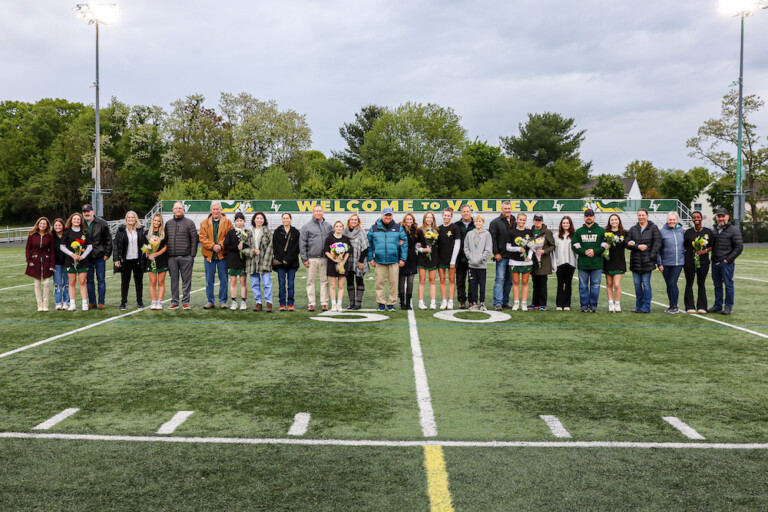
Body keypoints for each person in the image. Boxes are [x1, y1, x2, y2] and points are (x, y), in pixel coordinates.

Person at [367, 207, 407, 311]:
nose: (388, 217)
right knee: (379, 283)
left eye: (390, 215)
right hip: (379, 260)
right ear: (382, 215)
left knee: (393, 283)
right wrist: (371, 258)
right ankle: (381, 303)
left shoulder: (398, 227)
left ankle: (391, 303)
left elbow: (404, 243)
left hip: (393, 260)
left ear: (392, 216)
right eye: (386, 215)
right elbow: (369, 245)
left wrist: (402, 258)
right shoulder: (374, 228)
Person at [707, 207, 743, 315]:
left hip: (726, 263)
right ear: (716, 218)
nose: (721, 218)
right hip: (715, 262)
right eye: (719, 216)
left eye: (723, 216)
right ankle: (718, 305)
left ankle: (728, 306)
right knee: (717, 285)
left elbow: (739, 247)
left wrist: (728, 260)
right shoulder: (714, 230)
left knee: (728, 285)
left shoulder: (734, 230)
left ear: (727, 217)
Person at [626, 208, 661, 314]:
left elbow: (657, 242)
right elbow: (627, 242)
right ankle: (638, 306)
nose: (641, 217)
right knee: (637, 285)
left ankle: (646, 306)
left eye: (643, 215)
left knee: (646, 284)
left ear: (647, 216)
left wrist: (651, 256)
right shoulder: (633, 229)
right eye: (639, 215)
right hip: (635, 262)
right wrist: (637, 246)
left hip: (647, 262)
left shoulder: (653, 228)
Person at [199, 201, 233, 309]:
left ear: (221, 210)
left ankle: (223, 301)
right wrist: (213, 245)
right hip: (209, 256)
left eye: (218, 209)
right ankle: (210, 301)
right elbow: (202, 238)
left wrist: (221, 245)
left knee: (224, 279)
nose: (216, 211)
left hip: (223, 255)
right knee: (209, 279)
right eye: (214, 209)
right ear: (211, 210)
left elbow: (230, 236)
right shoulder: (204, 223)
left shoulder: (228, 222)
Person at [165, 201, 198, 310]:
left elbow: (194, 239)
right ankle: (174, 302)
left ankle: (186, 302)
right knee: (173, 281)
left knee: (186, 281)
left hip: (186, 257)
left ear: (183, 210)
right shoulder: (168, 223)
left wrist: (192, 255)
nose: (178, 210)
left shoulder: (189, 223)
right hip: (172, 257)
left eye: (180, 208)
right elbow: (165, 239)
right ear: (173, 210)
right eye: (176, 208)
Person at [300, 205, 333, 312]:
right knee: (310, 281)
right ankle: (311, 303)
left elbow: (332, 241)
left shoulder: (328, 226)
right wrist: (304, 258)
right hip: (311, 258)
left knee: (324, 281)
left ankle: (324, 303)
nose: (318, 213)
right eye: (316, 211)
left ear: (323, 212)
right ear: (313, 212)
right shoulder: (306, 226)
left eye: (320, 211)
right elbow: (302, 243)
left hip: (325, 258)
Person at [113, 210, 148, 310]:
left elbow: (145, 243)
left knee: (139, 282)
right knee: (125, 282)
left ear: (136, 219)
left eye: (133, 217)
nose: (131, 219)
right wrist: (116, 259)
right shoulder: (121, 230)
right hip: (125, 260)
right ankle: (123, 302)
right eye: (129, 217)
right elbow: (116, 245)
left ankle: (140, 302)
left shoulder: (140, 230)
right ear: (126, 219)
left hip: (138, 259)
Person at [572, 209, 605, 313]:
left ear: (594, 217)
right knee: (583, 286)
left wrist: (595, 251)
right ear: (584, 217)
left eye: (591, 216)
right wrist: (584, 251)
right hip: (583, 264)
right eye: (587, 216)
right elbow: (574, 245)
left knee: (595, 286)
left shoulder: (601, 231)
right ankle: (584, 305)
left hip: (597, 264)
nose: (589, 217)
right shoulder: (579, 231)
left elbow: (605, 246)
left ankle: (594, 305)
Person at [82, 204, 112, 310]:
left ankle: (101, 302)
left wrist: (107, 253)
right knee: (89, 281)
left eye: (88, 211)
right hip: (86, 256)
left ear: (93, 212)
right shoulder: (81, 224)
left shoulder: (102, 223)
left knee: (101, 280)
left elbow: (108, 239)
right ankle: (92, 302)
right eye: (84, 212)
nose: (86, 213)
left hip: (99, 255)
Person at [683, 211, 714, 314]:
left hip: (704, 261)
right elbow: (685, 245)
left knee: (701, 283)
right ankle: (689, 306)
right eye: (694, 217)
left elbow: (712, 245)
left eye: (698, 217)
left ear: (701, 218)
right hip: (689, 262)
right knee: (689, 283)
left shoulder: (708, 232)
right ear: (692, 219)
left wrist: (704, 251)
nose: (696, 219)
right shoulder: (688, 232)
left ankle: (702, 307)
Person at [61, 212, 92, 311]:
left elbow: (90, 246)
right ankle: (72, 304)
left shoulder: (85, 232)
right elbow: (62, 246)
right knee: (72, 282)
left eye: (78, 219)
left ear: (81, 221)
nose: (76, 221)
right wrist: (72, 254)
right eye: (75, 219)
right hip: (70, 260)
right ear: (71, 220)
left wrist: (82, 256)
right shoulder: (67, 232)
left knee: (82, 281)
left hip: (83, 260)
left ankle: (84, 304)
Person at [656, 212, 685, 314]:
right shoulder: (661, 232)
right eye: (670, 219)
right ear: (667, 220)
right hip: (665, 263)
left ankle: (675, 306)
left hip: (678, 263)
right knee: (669, 284)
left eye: (674, 220)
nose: (672, 221)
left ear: (677, 220)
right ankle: (671, 305)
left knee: (673, 283)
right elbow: (657, 249)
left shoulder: (682, 231)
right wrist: (659, 264)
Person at [245, 212, 274, 312]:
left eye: (261, 218)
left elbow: (271, 248)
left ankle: (269, 303)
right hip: (252, 262)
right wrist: (252, 251)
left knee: (267, 283)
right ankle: (258, 303)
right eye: (257, 218)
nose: (259, 220)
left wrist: (267, 261)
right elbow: (244, 248)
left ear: (264, 220)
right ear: (254, 220)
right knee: (254, 283)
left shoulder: (268, 232)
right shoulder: (248, 232)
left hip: (264, 261)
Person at [463, 214, 493, 311]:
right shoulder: (469, 234)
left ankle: (482, 303)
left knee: (482, 284)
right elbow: (466, 248)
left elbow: (488, 250)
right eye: (476, 221)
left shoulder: (487, 234)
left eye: (480, 221)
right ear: (474, 222)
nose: (478, 223)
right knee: (473, 284)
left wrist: (481, 259)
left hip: (481, 265)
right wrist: (471, 258)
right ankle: (474, 303)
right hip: (472, 264)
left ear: (483, 223)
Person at [25, 217, 55, 312]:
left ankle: (46, 304)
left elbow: (52, 251)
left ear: (47, 225)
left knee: (46, 283)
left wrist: (52, 264)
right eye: (41, 223)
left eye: (44, 224)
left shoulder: (50, 236)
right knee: (37, 283)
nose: (42, 225)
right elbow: (27, 248)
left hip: (46, 260)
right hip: (35, 261)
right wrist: (29, 260)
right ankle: (39, 304)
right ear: (38, 224)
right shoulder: (32, 235)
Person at [273, 213, 301, 311]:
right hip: (280, 263)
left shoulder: (295, 232)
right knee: (281, 284)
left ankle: (290, 304)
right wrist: (283, 259)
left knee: (291, 284)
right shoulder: (277, 232)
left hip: (292, 263)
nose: (285, 220)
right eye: (284, 218)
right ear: (282, 220)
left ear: (291, 219)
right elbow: (276, 247)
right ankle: (282, 304)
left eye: (287, 218)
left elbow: (296, 248)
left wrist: (288, 259)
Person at [489, 201, 514, 310]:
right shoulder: (495, 222)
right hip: (501, 256)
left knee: (510, 281)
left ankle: (505, 302)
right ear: (501, 209)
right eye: (505, 209)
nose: (507, 210)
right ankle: (497, 303)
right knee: (500, 279)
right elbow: (492, 239)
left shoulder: (516, 221)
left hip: (513, 257)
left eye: (509, 208)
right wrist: (496, 253)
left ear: (511, 209)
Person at [223, 212, 251, 310]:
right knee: (233, 281)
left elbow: (250, 245)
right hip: (232, 260)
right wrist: (236, 247)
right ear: (235, 222)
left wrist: (243, 247)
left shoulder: (247, 232)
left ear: (244, 221)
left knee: (243, 281)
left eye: (241, 220)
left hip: (243, 260)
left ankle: (243, 301)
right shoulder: (231, 232)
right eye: (237, 221)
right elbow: (226, 245)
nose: (239, 222)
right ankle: (234, 301)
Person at [506, 213, 533, 311]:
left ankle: (524, 303)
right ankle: (516, 302)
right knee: (516, 282)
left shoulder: (529, 232)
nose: (522, 221)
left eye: (523, 220)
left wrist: (529, 257)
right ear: (516, 220)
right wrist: (518, 249)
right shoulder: (511, 232)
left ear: (525, 221)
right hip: (514, 261)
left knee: (525, 282)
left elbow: (531, 247)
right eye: (520, 219)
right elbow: (508, 247)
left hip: (526, 262)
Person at [343, 213, 369, 310]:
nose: (354, 221)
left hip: (358, 259)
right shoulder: (344, 232)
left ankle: (358, 303)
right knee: (349, 280)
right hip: (347, 259)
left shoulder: (361, 232)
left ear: (358, 222)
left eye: (355, 220)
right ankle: (351, 303)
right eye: (352, 219)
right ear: (349, 221)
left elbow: (365, 247)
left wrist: (361, 261)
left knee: (359, 279)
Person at [529, 214, 555, 311]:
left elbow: (553, 246)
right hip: (534, 261)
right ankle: (534, 303)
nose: (538, 222)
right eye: (536, 220)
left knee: (542, 284)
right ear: (533, 221)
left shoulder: (547, 232)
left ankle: (542, 304)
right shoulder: (530, 232)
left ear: (542, 221)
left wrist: (544, 251)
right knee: (535, 283)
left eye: (539, 220)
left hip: (543, 262)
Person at [325, 220, 352, 312]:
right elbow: (326, 251)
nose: (339, 228)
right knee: (332, 285)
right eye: (337, 226)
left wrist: (343, 261)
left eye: (340, 226)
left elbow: (348, 252)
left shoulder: (346, 239)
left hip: (342, 265)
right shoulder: (329, 238)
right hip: (331, 264)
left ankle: (339, 304)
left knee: (341, 285)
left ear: (343, 228)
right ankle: (333, 304)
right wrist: (333, 259)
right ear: (334, 228)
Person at [603, 213, 628, 313]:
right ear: (609, 222)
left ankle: (617, 303)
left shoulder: (624, 233)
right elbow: (601, 243)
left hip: (619, 261)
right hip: (608, 261)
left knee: (616, 284)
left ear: (619, 221)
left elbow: (627, 244)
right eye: (612, 220)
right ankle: (610, 303)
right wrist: (604, 244)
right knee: (609, 283)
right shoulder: (605, 232)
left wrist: (631, 243)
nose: (614, 221)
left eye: (616, 220)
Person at [437, 208, 460, 309]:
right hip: (441, 259)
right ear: (442, 216)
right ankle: (444, 301)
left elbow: (457, 244)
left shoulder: (455, 227)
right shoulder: (439, 228)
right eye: (445, 215)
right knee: (442, 279)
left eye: (448, 215)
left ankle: (450, 301)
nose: (446, 217)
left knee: (451, 279)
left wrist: (453, 260)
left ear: (451, 216)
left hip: (452, 260)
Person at [553, 216, 577, 311]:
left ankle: (567, 304)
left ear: (570, 224)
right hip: (560, 263)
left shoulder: (574, 235)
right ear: (561, 224)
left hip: (570, 263)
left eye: (567, 223)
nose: (565, 224)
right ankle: (559, 304)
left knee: (568, 284)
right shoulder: (556, 236)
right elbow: (554, 251)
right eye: (564, 223)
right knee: (560, 284)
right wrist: (555, 263)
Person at [146, 214, 168, 310]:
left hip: (162, 259)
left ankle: (159, 301)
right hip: (150, 260)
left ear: (161, 222)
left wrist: (157, 254)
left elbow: (166, 247)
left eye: (158, 221)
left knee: (161, 281)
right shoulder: (147, 233)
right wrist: (149, 255)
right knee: (153, 281)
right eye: (155, 220)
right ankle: (153, 301)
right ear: (152, 221)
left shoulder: (163, 233)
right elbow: (144, 246)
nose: (156, 222)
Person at [454, 205, 474, 309]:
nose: (466, 213)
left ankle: (472, 300)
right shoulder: (456, 225)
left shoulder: (476, 224)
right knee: (460, 280)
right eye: (464, 211)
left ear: (470, 212)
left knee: (472, 280)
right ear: (461, 213)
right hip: (460, 257)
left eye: (468, 211)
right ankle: (461, 300)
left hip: (473, 257)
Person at [399, 213, 419, 310]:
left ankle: (408, 302)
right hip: (402, 257)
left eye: (411, 219)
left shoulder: (416, 230)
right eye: (407, 219)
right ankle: (402, 302)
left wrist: (420, 245)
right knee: (401, 281)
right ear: (404, 220)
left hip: (412, 259)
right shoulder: (400, 229)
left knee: (410, 281)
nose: (409, 221)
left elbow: (420, 241)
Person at [52, 218, 70, 310]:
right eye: (56, 225)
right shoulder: (51, 236)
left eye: (59, 225)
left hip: (67, 263)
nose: (57, 227)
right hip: (56, 264)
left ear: (63, 226)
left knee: (67, 283)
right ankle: (58, 302)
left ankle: (66, 302)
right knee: (57, 284)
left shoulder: (67, 235)